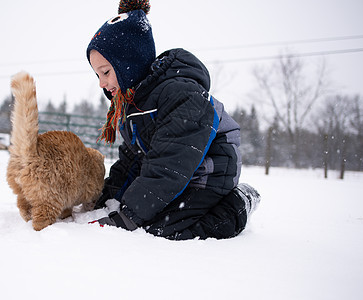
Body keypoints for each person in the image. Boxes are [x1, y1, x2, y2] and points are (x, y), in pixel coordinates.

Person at [87, 0, 260, 240]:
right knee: (148, 213)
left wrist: (129, 216)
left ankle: (238, 203)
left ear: (129, 64)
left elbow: (170, 164)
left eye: (106, 72)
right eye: (97, 75)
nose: (101, 83)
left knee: (164, 228)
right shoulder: (132, 104)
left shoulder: (180, 94)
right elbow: (132, 158)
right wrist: (107, 198)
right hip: (177, 172)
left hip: (210, 172)